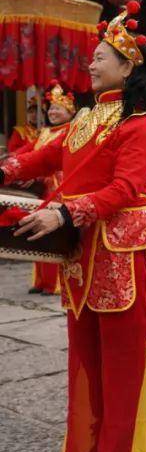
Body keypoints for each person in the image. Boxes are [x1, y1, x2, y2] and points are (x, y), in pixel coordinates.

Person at [2, 0, 146, 452]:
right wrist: (5, 171)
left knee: (125, 358)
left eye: (100, 56)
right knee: (85, 359)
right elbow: (36, 158)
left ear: (127, 64)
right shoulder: (83, 121)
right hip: (81, 253)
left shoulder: (143, 126)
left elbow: (125, 188)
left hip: (120, 253)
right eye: (92, 56)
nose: (90, 63)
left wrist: (67, 211)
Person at [22, 82, 77, 294]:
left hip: (60, 191)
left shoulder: (72, 131)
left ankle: (56, 283)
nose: (53, 112)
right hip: (42, 192)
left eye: (58, 109)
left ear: (70, 112)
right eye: (51, 108)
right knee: (38, 232)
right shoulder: (44, 133)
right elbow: (29, 155)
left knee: (54, 235)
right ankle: (41, 281)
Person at [6, 88, 40, 154]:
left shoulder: (48, 130)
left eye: (37, 112)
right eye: (31, 112)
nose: (34, 115)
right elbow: (13, 152)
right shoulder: (20, 131)